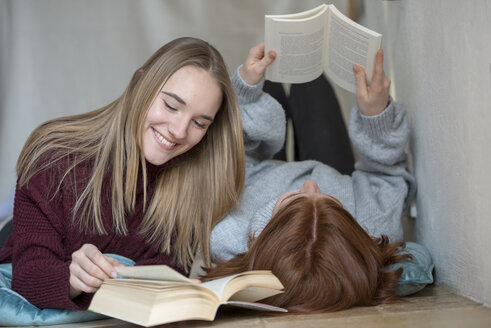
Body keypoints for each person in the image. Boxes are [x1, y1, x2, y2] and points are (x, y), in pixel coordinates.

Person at [0, 37, 245, 310]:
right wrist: (72, 278)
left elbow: (161, 283)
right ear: (139, 82)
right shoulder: (54, 156)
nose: (179, 131)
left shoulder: (191, 184)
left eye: (199, 123)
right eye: (171, 106)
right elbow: (27, 280)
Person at [205, 42, 417, 312]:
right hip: (337, 170)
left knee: (267, 87)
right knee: (311, 83)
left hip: (261, 173)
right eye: (330, 200)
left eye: (293, 199)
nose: (311, 184)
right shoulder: (374, 228)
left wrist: (245, 91)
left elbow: (234, 158)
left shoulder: (227, 234)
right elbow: (386, 172)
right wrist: (376, 116)